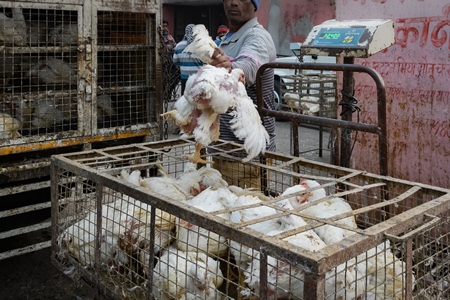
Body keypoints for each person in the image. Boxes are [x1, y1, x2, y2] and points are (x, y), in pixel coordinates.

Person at [210, 0, 276, 189]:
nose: (233, 2)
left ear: (254, 4)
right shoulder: (229, 37)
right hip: (223, 148)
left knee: (243, 213)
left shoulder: (257, 36)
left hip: (247, 154)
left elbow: (249, 64)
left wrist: (234, 69)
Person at [172, 24, 204, 95]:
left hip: (184, 77)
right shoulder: (201, 46)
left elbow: (175, 62)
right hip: (198, 78)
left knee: (185, 99)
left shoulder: (179, 45)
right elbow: (206, 62)